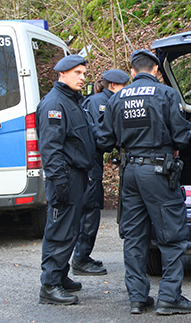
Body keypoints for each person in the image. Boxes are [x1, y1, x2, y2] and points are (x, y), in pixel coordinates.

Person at [97, 49, 191, 315]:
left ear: (132, 71)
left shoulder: (117, 98)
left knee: (134, 237)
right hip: (158, 173)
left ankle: (138, 298)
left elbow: (104, 140)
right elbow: (181, 137)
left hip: (129, 174)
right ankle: (169, 298)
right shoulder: (166, 94)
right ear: (155, 70)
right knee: (173, 236)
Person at [36, 55, 95, 305]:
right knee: (59, 230)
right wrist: (59, 181)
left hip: (76, 176)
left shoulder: (71, 101)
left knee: (70, 230)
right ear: (62, 74)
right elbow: (51, 148)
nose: (83, 77)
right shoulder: (55, 104)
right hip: (65, 177)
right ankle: (49, 285)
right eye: (78, 73)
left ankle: (59, 275)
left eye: (84, 73)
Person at [72, 69, 129, 276]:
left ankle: (83, 255)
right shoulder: (98, 103)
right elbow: (100, 136)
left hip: (91, 163)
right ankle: (79, 259)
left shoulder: (103, 100)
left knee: (91, 209)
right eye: (124, 86)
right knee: (90, 210)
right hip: (89, 164)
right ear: (114, 86)